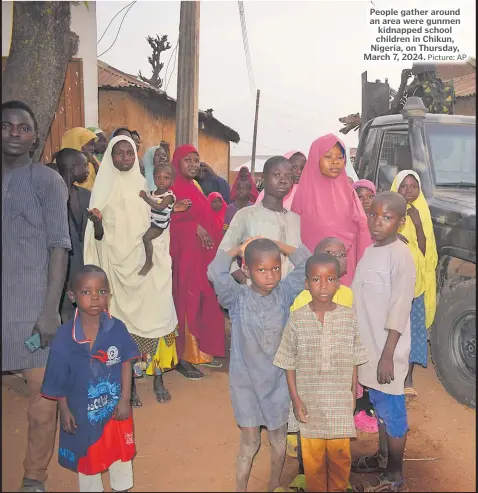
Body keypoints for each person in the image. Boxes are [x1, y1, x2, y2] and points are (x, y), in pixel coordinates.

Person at [2, 100, 71, 493]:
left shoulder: (48, 181)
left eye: (23, 127)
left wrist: (49, 312)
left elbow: (60, 247)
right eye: (6, 126)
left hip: (31, 309)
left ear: (34, 136)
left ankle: (34, 476)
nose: (15, 133)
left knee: (42, 401)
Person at [207, 237, 311, 492]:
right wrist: (238, 249)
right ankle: (240, 488)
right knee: (250, 442)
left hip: (278, 383)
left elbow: (308, 263)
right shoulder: (236, 298)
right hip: (246, 386)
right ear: (247, 270)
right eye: (261, 270)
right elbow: (214, 270)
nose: (270, 275)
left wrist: (278, 245)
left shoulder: (284, 292)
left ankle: (274, 485)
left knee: (278, 440)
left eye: (275, 268)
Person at [84, 135, 179, 405]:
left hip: (149, 265)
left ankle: (158, 375)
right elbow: (98, 237)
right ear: (110, 157)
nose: (125, 158)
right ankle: (131, 383)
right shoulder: (103, 191)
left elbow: (158, 222)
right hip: (117, 267)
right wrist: (98, 223)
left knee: (157, 313)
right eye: (119, 153)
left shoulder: (144, 186)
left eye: (129, 153)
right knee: (125, 325)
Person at [40, 265, 140, 493]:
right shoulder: (65, 337)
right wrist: (63, 409)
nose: (95, 298)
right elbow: (59, 377)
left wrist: (125, 399)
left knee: (119, 456)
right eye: (86, 292)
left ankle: (121, 488)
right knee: (88, 460)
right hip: (81, 413)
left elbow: (126, 362)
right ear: (72, 296)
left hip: (115, 411)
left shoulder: (117, 328)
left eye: (101, 292)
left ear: (109, 295)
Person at [274, 253, 368, 493]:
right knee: (313, 462)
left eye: (330, 279)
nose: (324, 286)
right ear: (306, 283)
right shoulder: (297, 319)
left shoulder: (348, 317)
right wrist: (296, 400)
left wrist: (352, 395)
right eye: (316, 279)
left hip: (338, 401)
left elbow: (354, 360)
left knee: (340, 458)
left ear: (339, 283)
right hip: (309, 403)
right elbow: (288, 362)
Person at [351, 192, 416, 493]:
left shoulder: (400, 255)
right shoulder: (370, 250)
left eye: (387, 218)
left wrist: (388, 355)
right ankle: (381, 456)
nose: (377, 222)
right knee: (378, 406)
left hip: (387, 350)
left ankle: (395, 474)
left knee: (392, 411)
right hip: (369, 347)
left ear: (400, 222)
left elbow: (400, 308)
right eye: (374, 215)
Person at [169, 144, 226, 380]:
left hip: (200, 259)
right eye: (187, 160)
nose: (193, 164)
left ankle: (200, 351)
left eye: (196, 160)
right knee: (185, 303)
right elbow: (166, 222)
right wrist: (193, 227)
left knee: (202, 301)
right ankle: (183, 356)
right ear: (177, 163)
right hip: (184, 259)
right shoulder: (171, 188)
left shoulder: (194, 187)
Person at [291, 134, 371, 287]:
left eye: (340, 157)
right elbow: (295, 237)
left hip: (346, 271)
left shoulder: (349, 193)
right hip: (313, 272)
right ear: (315, 159)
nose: (335, 162)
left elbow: (363, 230)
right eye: (328, 156)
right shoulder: (303, 195)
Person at [391, 170, 437, 400]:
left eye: (413, 186)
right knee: (394, 329)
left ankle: (408, 378)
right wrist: (394, 236)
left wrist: (417, 225)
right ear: (395, 189)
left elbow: (427, 251)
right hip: (394, 283)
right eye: (403, 186)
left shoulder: (423, 212)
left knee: (414, 331)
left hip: (416, 284)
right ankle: (392, 374)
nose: (408, 191)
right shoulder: (388, 211)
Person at [220, 156, 301, 284]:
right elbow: (224, 254)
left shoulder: (295, 220)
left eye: (289, 177)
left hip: (289, 296)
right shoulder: (246, 215)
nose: (283, 181)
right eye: (277, 174)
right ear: (264, 178)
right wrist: (245, 282)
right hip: (257, 296)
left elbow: (300, 258)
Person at [54, 148, 105, 323]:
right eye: (84, 166)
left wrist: (97, 222)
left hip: (84, 270)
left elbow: (98, 237)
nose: (88, 169)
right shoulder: (49, 197)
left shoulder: (86, 196)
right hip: (60, 272)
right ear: (71, 168)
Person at [137, 162, 177, 276]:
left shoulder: (169, 196)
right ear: (153, 178)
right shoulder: (152, 193)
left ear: (172, 180)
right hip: (151, 221)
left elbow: (160, 207)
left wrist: (145, 198)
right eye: (158, 177)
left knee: (146, 238)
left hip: (159, 225)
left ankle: (149, 262)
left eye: (166, 178)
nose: (161, 181)